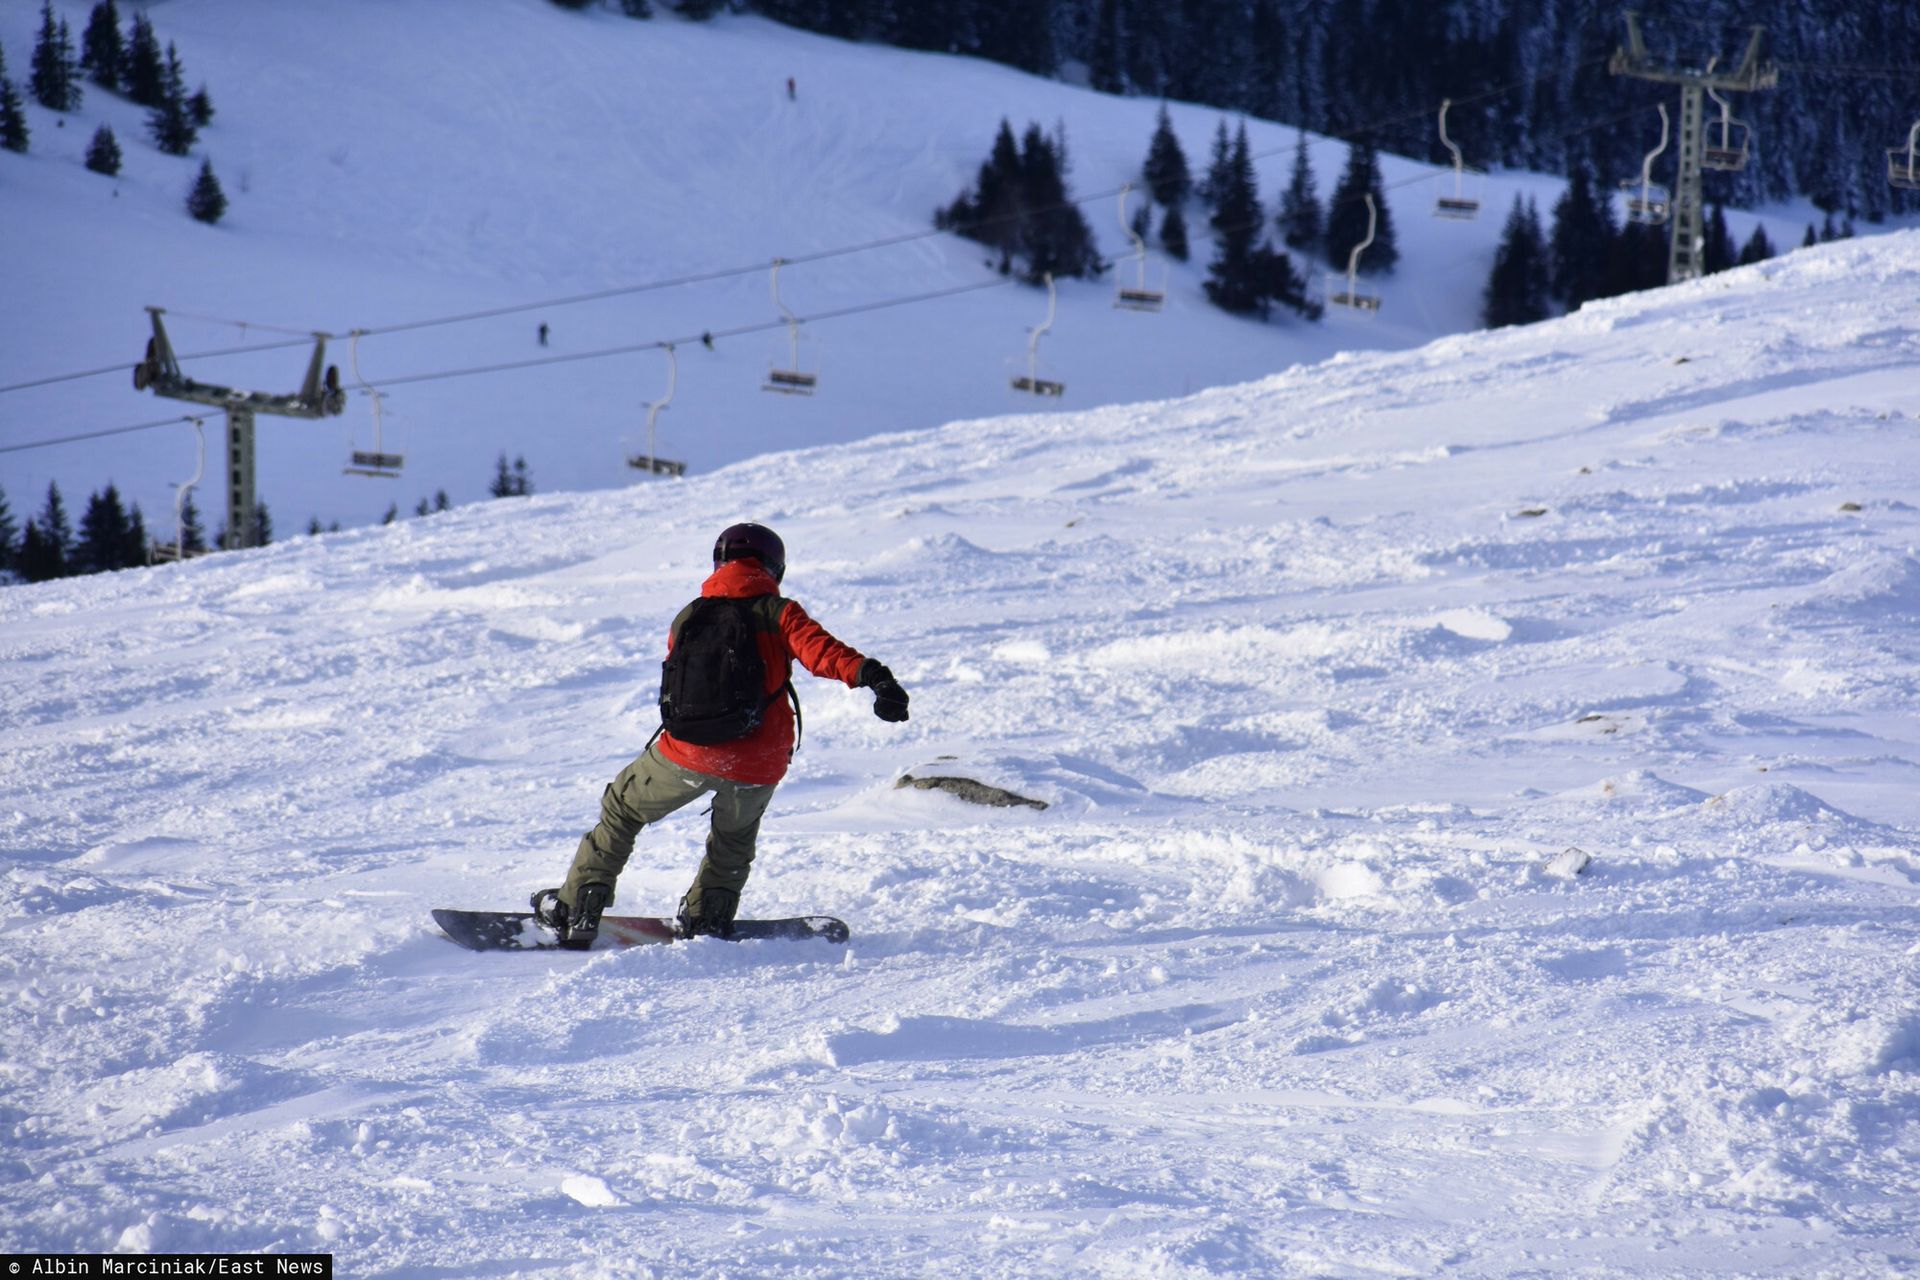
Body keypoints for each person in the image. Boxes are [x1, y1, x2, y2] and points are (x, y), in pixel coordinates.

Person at [532, 522, 909, 946]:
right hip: (759, 760)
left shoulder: (691, 614)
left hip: (689, 753)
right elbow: (824, 653)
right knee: (733, 837)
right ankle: (709, 915)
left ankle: (579, 905)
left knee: (623, 806)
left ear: (720, 564)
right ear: (774, 567)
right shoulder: (780, 613)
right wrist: (875, 679)